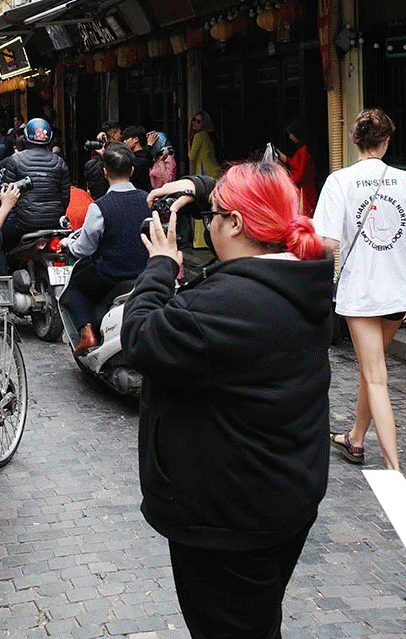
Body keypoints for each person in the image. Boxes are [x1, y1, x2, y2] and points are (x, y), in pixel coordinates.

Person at [126, 156, 332, 639]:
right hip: (282, 495)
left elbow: (140, 337)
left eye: (214, 214)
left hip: (230, 518)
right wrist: (202, 189)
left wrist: (160, 266)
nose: (208, 221)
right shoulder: (302, 276)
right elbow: (265, 182)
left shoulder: (226, 305)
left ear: (237, 224)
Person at [313, 109, 406, 471]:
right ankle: (356, 438)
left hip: (361, 288)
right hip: (396, 288)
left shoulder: (339, 181)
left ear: (353, 139)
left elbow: (327, 241)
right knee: (371, 367)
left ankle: (393, 466)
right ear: (387, 140)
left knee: (375, 375)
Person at [61, 143, 150, 355]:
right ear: (132, 170)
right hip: (145, 272)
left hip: (111, 275)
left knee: (72, 289)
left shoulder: (100, 206)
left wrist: (69, 243)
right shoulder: (148, 199)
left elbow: (84, 248)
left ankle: (87, 332)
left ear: (104, 173)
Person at [0, 117, 71, 253]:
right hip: (54, 223)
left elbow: (8, 194)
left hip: (23, 224)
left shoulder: (15, 160)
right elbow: (64, 198)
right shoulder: (60, 162)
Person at [188, 111, 222, 251]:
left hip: (204, 174)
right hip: (215, 171)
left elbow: (191, 156)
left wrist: (189, 141)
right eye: (194, 120)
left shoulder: (199, 136)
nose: (195, 123)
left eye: (199, 121)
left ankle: (201, 241)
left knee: (202, 205)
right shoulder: (212, 134)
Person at [278, 116, 319, 216]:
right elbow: (295, 164)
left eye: (291, 134)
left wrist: (284, 180)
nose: (290, 137)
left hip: (304, 194)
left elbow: (300, 175)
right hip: (306, 192)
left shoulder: (303, 151)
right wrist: (282, 156)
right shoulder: (304, 149)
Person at [121, 125, 154, 192]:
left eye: (126, 139)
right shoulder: (146, 155)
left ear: (136, 139)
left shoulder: (139, 159)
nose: (124, 142)